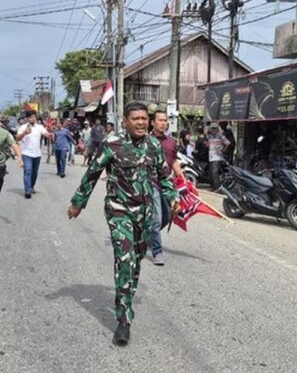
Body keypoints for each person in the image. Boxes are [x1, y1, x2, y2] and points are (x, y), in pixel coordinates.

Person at [68, 102, 180, 347]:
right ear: (125, 122)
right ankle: (123, 319)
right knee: (125, 258)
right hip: (119, 209)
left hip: (145, 212)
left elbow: (164, 176)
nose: (141, 122)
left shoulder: (154, 146)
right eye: (136, 119)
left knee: (136, 259)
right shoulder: (112, 143)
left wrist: (173, 199)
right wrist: (78, 202)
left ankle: (127, 296)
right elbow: (93, 173)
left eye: (144, 118)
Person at [148, 110, 185, 266]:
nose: (163, 123)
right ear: (152, 122)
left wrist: (182, 177)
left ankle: (148, 235)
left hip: (167, 183)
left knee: (167, 216)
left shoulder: (171, 142)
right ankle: (157, 251)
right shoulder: (145, 140)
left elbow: (173, 160)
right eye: (160, 120)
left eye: (165, 120)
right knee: (156, 218)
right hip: (151, 183)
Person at [16, 111, 52, 199]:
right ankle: (27, 190)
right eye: (31, 117)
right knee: (28, 171)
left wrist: (50, 135)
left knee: (34, 173)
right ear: (27, 118)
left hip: (37, 154)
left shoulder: (40, 127)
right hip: (26, 153)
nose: (33, 118)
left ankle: (31, 186)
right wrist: (24, 133)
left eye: (34, 117)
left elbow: (46, 133)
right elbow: (17, 138)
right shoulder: (23, 127)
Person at [207, 124, 230, 190]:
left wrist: (222, 150)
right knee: (211, 172)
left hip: (217, 157)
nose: (213, 130)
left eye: (215, 128)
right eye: (212, 129)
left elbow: (228, 143)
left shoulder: (220, 136)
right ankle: (213, 187)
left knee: (214, 172)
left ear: (217, 129)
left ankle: (218, 188)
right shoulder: (210, 136)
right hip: (211, 156)